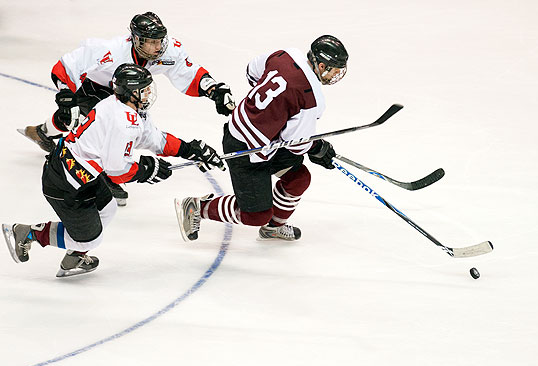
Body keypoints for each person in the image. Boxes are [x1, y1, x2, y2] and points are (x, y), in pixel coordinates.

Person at [2, 63, 225, 277]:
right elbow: (116, 171)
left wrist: (189, 149)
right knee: (90, 239)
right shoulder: (123, 122)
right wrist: (147, 170)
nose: (148, 94)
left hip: (77, 172)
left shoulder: (120, 106)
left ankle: (76, 256)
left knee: (108, 208)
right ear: (130, 92)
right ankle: (28, 233)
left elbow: (153, 138)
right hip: (65, 183)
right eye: (143, 90)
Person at [19, 11, 235, 206]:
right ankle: (105, 174)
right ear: (136, 39)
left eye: (160, 41)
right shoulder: (111, 51)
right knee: (98, 126)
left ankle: (42, 132)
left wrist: (213, 89)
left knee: (98, 123)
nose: (158, 47)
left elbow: (189, 73)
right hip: (95, 87)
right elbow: (67, 66)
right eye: (151, 42)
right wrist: (66, 97)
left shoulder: (169, 50)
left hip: (131, 89)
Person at [174, 35, 348, 242]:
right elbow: (296, 143)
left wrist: (270, 111)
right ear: (321, 65)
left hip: (256, 138)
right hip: (245, 150)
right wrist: (317, 147)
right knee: (256, 215)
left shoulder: (285, 55)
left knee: (298, 179)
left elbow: (252, 71)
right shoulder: (312, 97)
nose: (337, 75)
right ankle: (197, 207)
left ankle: (274, 228)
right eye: (335, 70)